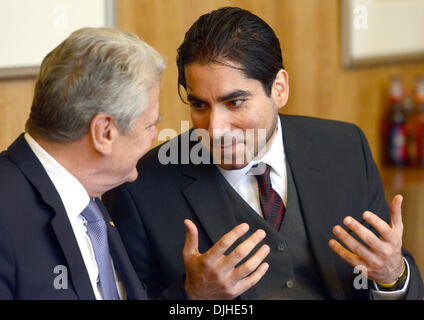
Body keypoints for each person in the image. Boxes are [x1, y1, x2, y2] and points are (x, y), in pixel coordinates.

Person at [103, 7, 424, 300]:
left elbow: (388, 273)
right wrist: (193, 297)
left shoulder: (345, 148)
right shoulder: (141, 184)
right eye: (199, 105)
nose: (215, 128)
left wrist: (392, 276)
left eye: (235, 102)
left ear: (279, 88)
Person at [0, 27, 166, 299]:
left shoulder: (89, 201)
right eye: (150, 125)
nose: (156, 135)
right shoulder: (6, 214)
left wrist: (193, 294)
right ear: (105, 133)